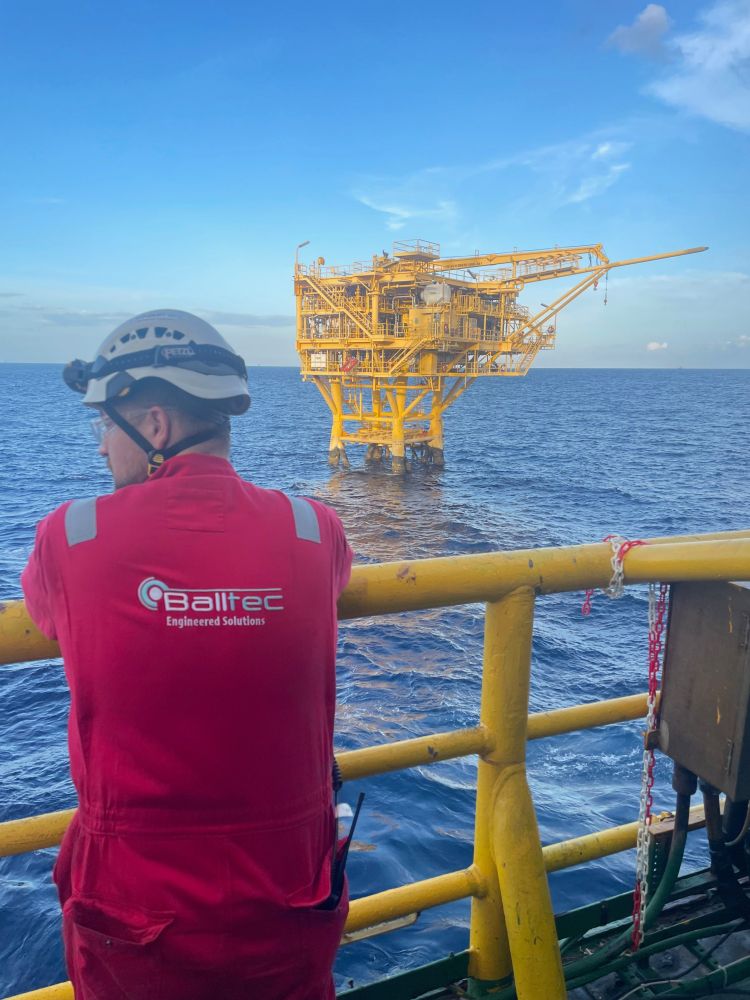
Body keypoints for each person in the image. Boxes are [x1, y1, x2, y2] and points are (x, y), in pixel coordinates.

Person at [21, 309, 353, 1000]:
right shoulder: (314, 528)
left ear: (156, 426)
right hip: (289, 891)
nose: (100, 448)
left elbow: (45, 614)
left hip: (137, 906)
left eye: (106, 427)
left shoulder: (72, 536)